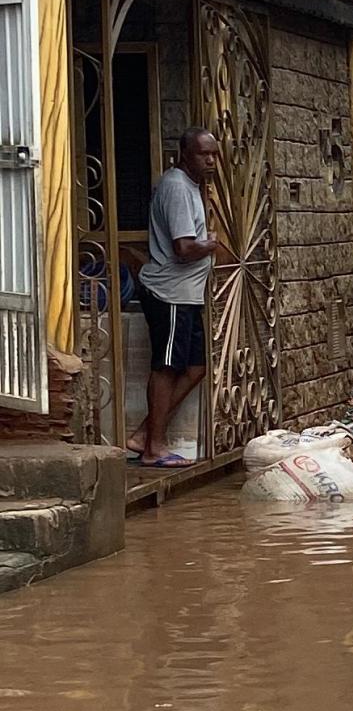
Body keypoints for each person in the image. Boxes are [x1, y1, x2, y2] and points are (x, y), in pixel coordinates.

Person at [132, 129, 221, 465]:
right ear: (185, 154)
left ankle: (143, 435)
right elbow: (183, 248)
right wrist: (211, 244)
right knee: (167, 367)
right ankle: (153, 449)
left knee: (195, 366)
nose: (210, 160)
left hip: (185, 295)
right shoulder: (177, 187)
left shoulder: (192, 187)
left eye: (213, 154)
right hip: (168, 292)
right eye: (203, 154)